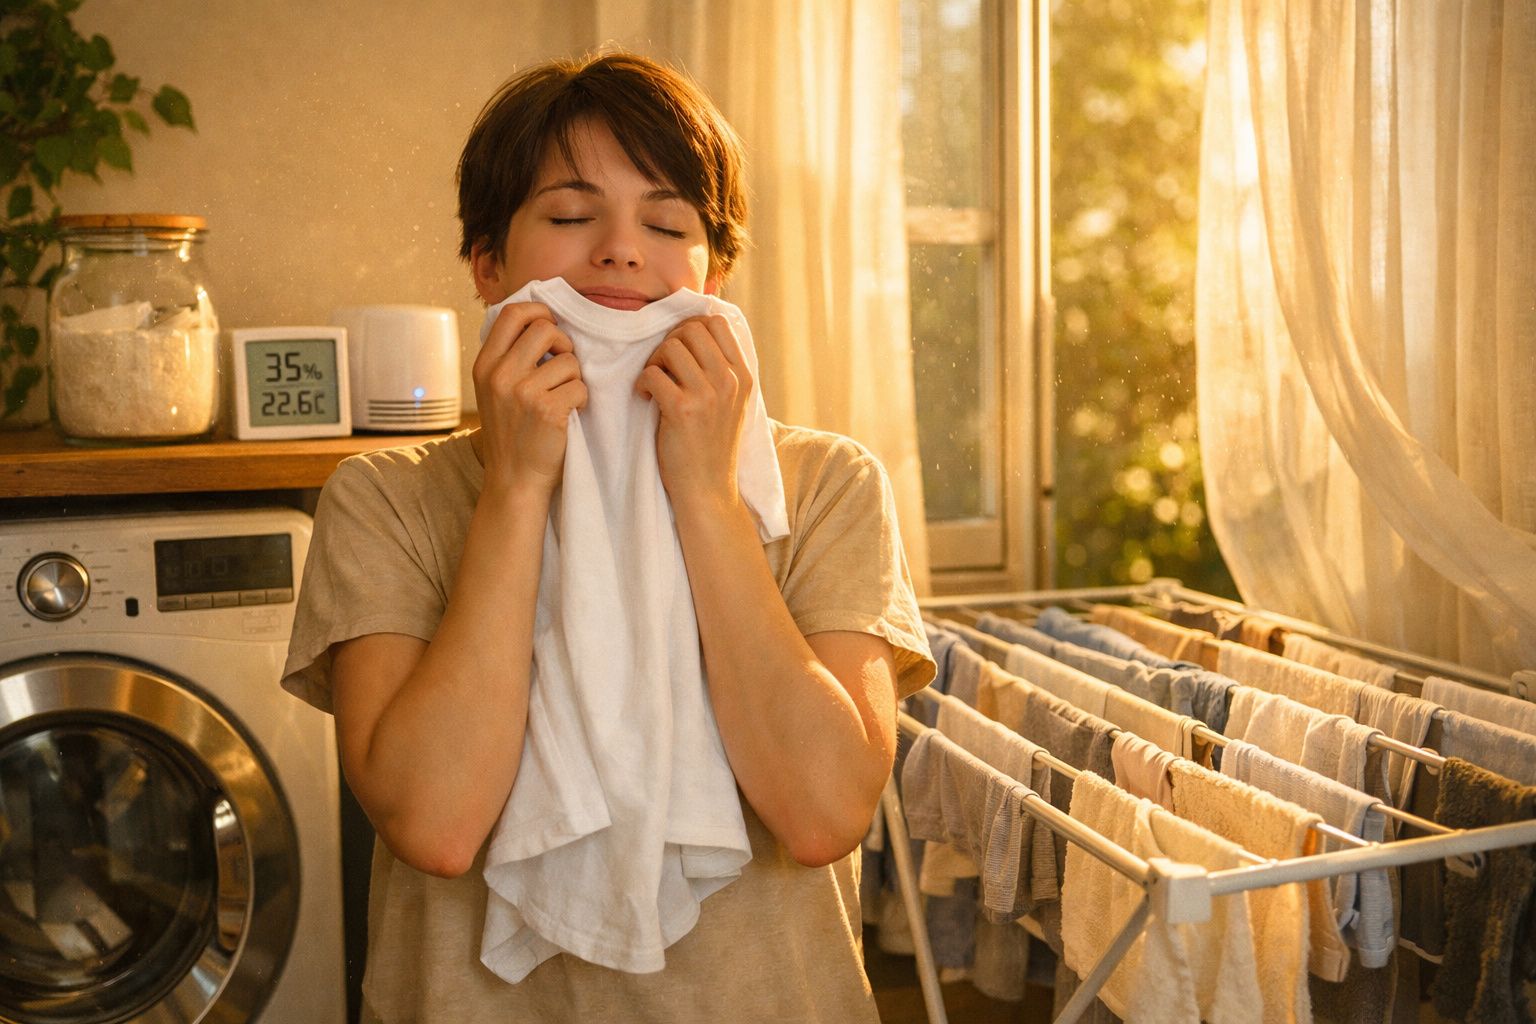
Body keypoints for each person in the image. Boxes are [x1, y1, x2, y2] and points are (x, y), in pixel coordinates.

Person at [281, 49, 934, 1023]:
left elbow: (824, 812)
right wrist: (517, 489)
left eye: (668, 223)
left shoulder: (827, 485)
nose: (623, 251)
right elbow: (436, 823)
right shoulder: (384, 497)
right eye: (572, 215)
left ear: (714, 276)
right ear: (488, 264)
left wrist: (708, 500)